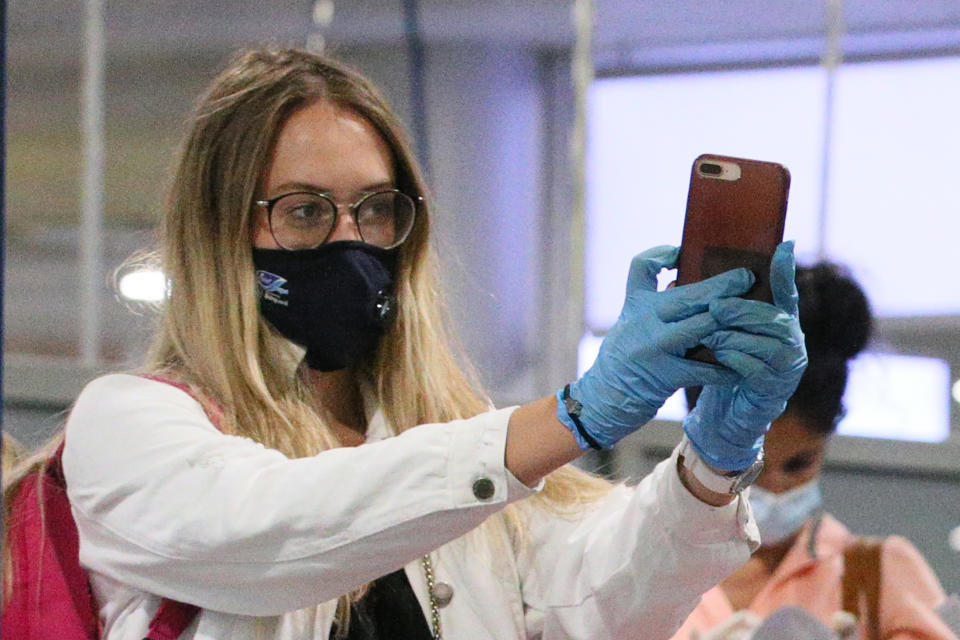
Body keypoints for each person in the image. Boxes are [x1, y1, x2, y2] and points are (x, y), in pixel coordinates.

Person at [2, 48, 807, 640]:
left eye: (377, 209)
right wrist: (575, 415)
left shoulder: (446, 446)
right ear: (220, 232)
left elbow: (600, 601)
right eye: (306, 211)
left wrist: (712, 461)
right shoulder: (131, 425)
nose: (353, 241)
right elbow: (276, 527)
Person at [670, 263, 957, 640]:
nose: (773, 488)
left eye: (797, 464)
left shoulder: (876, 575)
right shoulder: (648, 568)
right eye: (746, 465)